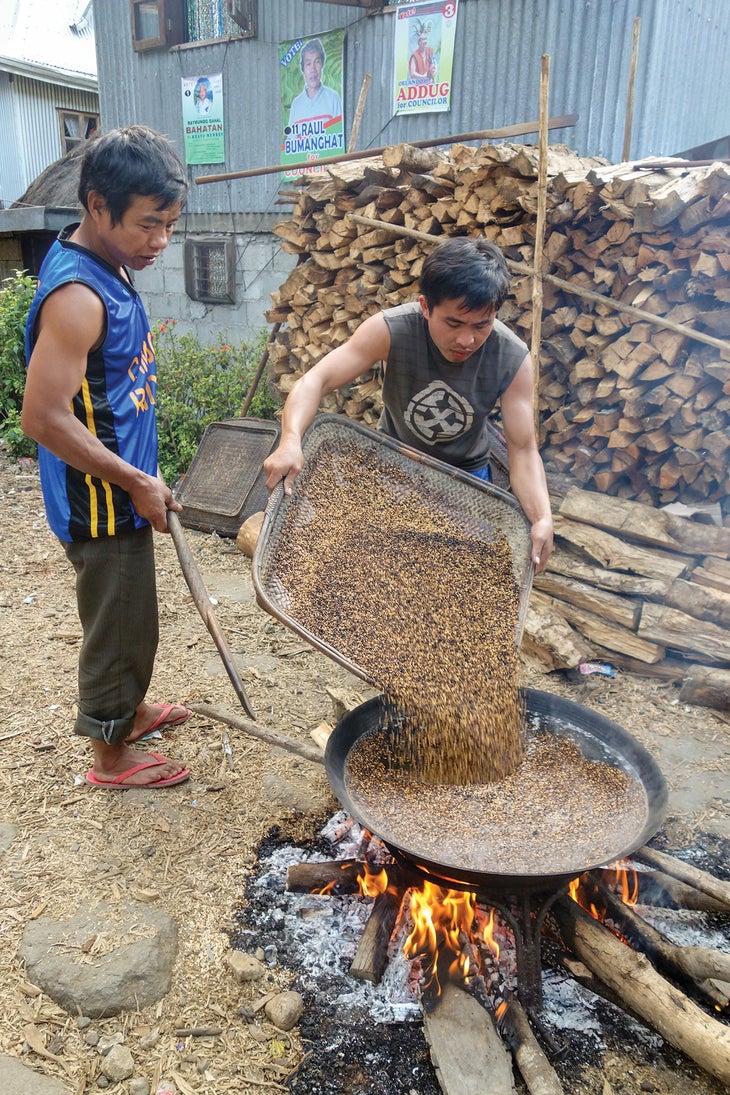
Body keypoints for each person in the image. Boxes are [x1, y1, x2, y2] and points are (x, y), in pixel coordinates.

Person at [21, 125, 193, 790]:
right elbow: (43, 416)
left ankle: (130, 709)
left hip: (124, 484)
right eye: (149, 225)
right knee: (114, 623)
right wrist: (132, 478)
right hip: (99, 498)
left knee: (133, 616)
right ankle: (110, 756)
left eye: (171, 224)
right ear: (97, 206)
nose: (161, 242)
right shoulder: (77, 298)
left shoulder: (112, 260)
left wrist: (143, 472)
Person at [263, 237, 554, 574]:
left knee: (456, 576)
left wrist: (542, 517)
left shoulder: (512, 356)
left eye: (481, 325)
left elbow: (522, 448)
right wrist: (290, 439)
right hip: (392, 469)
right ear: (426, 306)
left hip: (467, 482)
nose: (467, 340)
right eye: (453, 323)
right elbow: (316, 380)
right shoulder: (392, 330)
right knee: (375, 571)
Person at [288, 37, 343, 129]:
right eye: (308, 64)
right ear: (303, 69)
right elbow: (291, 140)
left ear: (322, 65)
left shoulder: (333, 98)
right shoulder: (296, 104)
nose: (313, 69)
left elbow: (338, 136)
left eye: (317, 62)